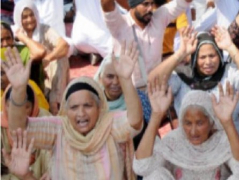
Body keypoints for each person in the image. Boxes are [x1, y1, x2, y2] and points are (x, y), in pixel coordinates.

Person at [4, 44, 143, 179]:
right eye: (74, 107)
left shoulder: (108, 125)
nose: (81, 113)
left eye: (88, 105)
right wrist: (18, 90)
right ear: (65, 110)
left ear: (99, 107)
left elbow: (135, 122)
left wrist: (125, 79)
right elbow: (19, 129)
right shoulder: (59, 128)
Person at [148, 26, 239, 134]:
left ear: (220, 55)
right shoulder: (182, 76)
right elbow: (153, 82)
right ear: (194, 58)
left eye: (212, 56)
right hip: (192, 147)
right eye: (202, 57)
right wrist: (180, 54)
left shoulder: (228, 72)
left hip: (229, 144)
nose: (208, 62)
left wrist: (230, 47)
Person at [134, 81, 239, 179]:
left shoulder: (222, 140)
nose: (193, 131)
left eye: (200, 123)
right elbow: (142, 167)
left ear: (211, 121)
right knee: (154, 176)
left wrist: (227, 122)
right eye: (188, 123)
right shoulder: (174, 141)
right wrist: (156, 116)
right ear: (181, 122)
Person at [12, 0, 69, 114]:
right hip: (27, 79)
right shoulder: (15, 36)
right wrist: (24, 38)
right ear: (19, 19)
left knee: (61, 59)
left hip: (48, 79)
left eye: (32, 15)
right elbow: (38, 52)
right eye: (25, 17)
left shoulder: (44, 29)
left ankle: (55, 103)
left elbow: (64, 46)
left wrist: (48, 59)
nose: (29, 20)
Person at [1, 85, 51, 180]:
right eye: (10, 106)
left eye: (26, 107)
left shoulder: (46, 122)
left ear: (33, 107)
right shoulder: (1, 125)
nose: (17, 112)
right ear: (4, 105)